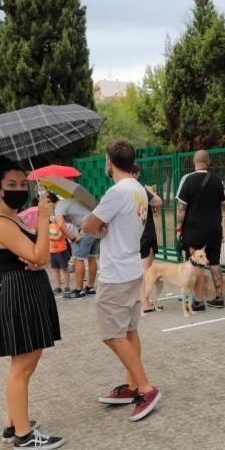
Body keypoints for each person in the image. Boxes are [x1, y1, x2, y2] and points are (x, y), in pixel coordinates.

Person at [0, 156, 64, 450]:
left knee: (23, 366)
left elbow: (34, 255)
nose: (19, 189)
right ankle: (23, 436)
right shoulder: (1, 222)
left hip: (28, 290)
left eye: (22, 183)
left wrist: (34, 253)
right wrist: (44, 219)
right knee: (22, 367)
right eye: (11, 185)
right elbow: (40, 257)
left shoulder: (14, 219)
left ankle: (13, 424)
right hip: (20, 295)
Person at [81, 139, 161, 422]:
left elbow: (88, 225)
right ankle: (130, 385)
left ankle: (145, 387)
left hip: (115, 273)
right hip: (130, 268)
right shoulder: (139, 189)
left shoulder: (117, 192)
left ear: (109, 162)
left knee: (112, 334)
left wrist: (96, 226)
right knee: (128, 330)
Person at [175, 149, 225, 311]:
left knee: (197, 265)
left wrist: (178, 228)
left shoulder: (188, 180)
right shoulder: (217, 180)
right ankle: (219, 297)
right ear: (208, 162)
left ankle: (198, 301)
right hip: (215, 229)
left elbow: (181, 208)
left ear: (194, 162)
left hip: (194, 230)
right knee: (215, 262)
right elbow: (220, 203)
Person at [132, 164, 163, 314]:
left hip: (136, 233)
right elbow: (158, 201)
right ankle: (145, 303)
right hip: (146, 234)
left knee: (144, 269)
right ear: (135, 174)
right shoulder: (140, 189)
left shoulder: (124, 190)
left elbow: (152, 206)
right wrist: (150, 192)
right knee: (147, 270)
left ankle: (146, 300)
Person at [55, 196, 97, 299]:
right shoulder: (71, 201)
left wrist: (72, 238)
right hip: (97, 224)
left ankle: (79, 290)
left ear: (50, 202)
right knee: (92, 257)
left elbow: (60, 225)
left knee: (79, 258)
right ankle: (90, 288)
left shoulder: (59, 206)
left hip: (88, 226)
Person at [47, 195, 72, 296]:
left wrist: (50, 238)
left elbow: (59, 236)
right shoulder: (49, 225)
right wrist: (50, 239)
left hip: (61, 250)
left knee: (64, 269)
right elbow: (45, 235)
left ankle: (66, 286)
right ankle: (58, 286)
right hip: (52, 251)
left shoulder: (62, 225)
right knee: (55, 269)